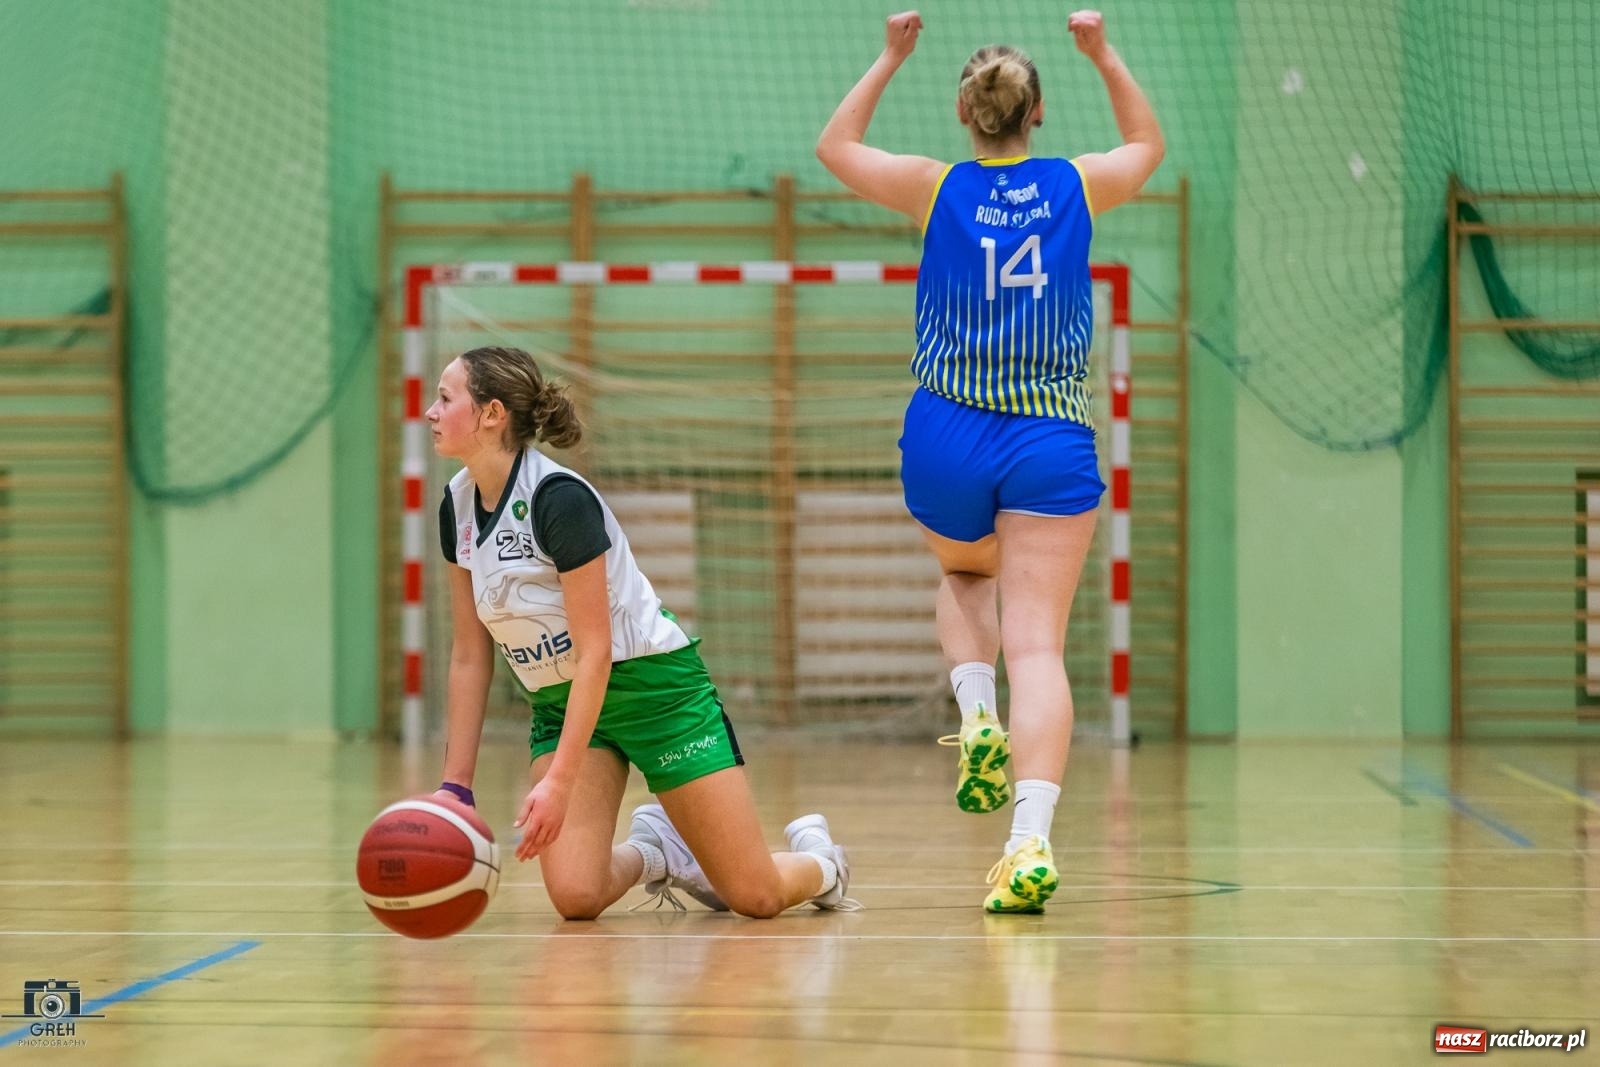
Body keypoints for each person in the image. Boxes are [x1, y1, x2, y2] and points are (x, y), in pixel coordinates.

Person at [816, 10, 1163, 912]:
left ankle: (976, 715)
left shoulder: (938, 189)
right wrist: (1103, 52)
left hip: (948, 428)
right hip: (1048, 436)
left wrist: (889, 55)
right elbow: (1146, 143)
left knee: (966, 574)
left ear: (966, 113)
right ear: (1035, 112)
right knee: (1039, 646)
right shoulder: (1077, 186)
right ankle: (1029, 845)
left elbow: (835, 144)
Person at [425, 345, 857, 919]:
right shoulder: (455, 506)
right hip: (562, 703)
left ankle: (824, 863)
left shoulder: (558, 500)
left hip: (654, 691)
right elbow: (469, 655)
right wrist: (454, 790)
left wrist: (558, 781)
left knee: (755, 897)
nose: (431, 411)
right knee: (576, 897)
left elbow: (597, 651)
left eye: (445, 397)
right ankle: (657, 851)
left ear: (491, 414)